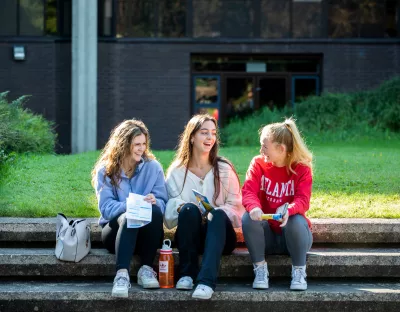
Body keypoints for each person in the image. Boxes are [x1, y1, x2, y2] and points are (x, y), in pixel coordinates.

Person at [164, 114, 245, 300]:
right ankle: (186, 274)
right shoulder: (177, 172)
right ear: (191, 137)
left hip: (221, 237)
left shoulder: (224, 169)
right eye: (204, 133)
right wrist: (184, 207)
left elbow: (237, 209)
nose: (210, 138)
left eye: (213, 133)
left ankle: (206, 282)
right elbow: (168, 215)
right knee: (188, 210)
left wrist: (213, 212)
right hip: (191, 236)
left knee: (216, 214)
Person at [91, 119, 168, 298]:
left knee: (155, 211)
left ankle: (146, 269)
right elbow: (107, 209)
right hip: (116, 232)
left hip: (146, 234)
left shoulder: (153, 167)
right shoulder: (106, 171)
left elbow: (164, 203)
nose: (141, 149)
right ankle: (121, 275)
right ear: (123, 145)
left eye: (143, 144)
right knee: (128, 217)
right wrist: (132, 204)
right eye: (136, 144)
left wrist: (155, 201)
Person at [241, 117, 313, 291]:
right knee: (248, 218)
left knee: (295, 220)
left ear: (281, 149)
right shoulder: (258, 164)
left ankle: (299, 271)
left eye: (265, 146)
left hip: (295, 236)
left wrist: (290, 209)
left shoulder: (302, 168)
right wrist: (254, 207)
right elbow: (248, 191)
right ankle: (260, 270)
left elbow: (303, 200)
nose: (261, 150)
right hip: (267, 237)